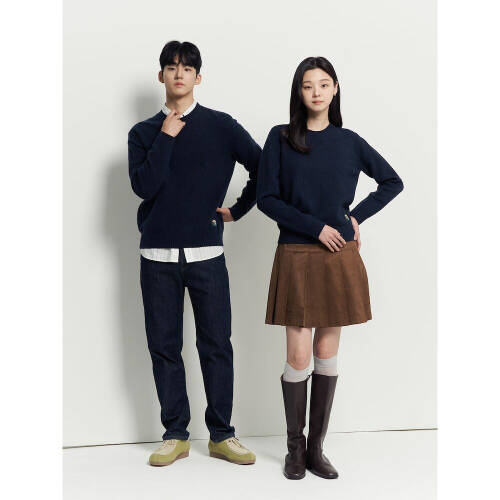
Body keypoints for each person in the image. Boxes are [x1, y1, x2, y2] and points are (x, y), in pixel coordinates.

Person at [256, 56, 404, 480]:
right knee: (297, 355)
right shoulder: (280, 137)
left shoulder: (349, 141)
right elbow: (267, 199)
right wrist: (316, 227)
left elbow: (392, 182)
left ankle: (317, 450)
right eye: (308, 85)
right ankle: (295, 449)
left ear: (335, 89)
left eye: (324, 84)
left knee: (325, 352)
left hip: (339, 255)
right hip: (297, 252)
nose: (316, 92)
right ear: (298, 92)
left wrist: (355, 218)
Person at [127, 40, 261, 467]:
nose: (179, 74)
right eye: (171, 67)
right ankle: (175, 435)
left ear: (198, 77)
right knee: (164, 347)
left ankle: (222, 435)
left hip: (207, 255)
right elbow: (144, 187)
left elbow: (264, 167)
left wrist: (238, 209)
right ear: (161, 76)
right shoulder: (143, 133)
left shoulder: (221, 126)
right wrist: (166, 137)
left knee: (216, 345)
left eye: (187, 68)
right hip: (157, 258)